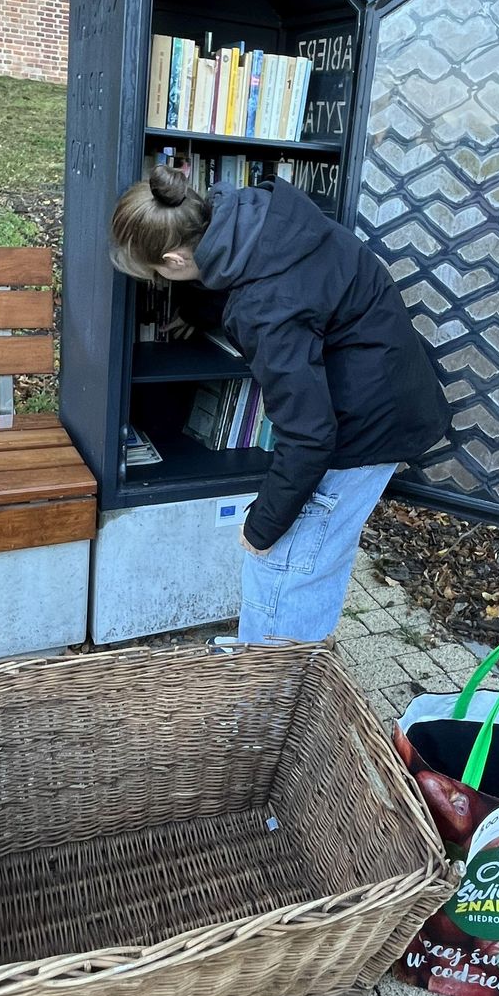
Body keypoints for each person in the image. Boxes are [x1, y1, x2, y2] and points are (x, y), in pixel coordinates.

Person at [109, 165, 449, 643]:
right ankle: (290, 669)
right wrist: (197, 311)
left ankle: (268, 690)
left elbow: (309, 436)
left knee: (286, 568)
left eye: (159, 276)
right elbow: (244, 282)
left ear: (173, 259)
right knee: (319, 555)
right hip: (390, 390)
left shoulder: (267, 308)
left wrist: (263, 526)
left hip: (364, 429)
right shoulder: (256, 216)